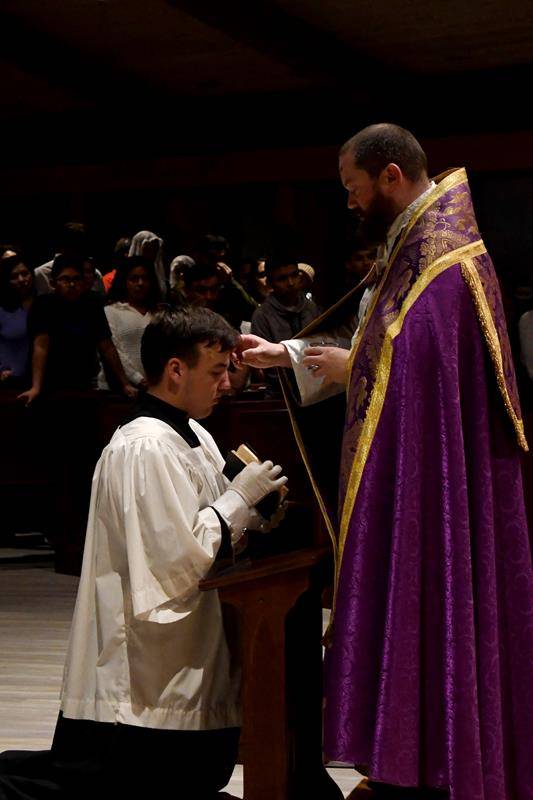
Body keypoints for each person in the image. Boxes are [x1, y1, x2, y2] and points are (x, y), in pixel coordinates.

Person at [239, 124, 533, 800]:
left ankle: (440, 763)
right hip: (421, 468)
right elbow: (383, 343)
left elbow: (407, 365)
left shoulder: (443, 262)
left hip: (438, 484)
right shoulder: (415, 246)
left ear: (391, 175)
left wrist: (354, 365)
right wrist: (288, 355)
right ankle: (416, 755)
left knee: (439, 596)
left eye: (353, 187)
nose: (348, 201)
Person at [0, 307, 287, 799]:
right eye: (216, 372)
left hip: (189, 658)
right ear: (175, 370)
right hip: (141, 680)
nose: (226, 385)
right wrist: (240, 499)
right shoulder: (144, 447)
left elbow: (214, 523)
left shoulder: (194, 434)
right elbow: (176, 559)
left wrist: (259, 510)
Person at [19, 254, 137, 404]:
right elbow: (41, 346)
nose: (72, 284)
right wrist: (36, 387)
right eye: (65, 279)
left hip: (83, 380)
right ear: (53, 283)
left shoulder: (92, 304)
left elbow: (106, 345)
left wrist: (125, 383)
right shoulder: (43, 305)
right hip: (50, 381)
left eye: (76, 279)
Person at [98, 256, 162, 390]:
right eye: (134, 279)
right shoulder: (111, 311)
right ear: (124, 282)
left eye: (145, 278)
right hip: (122, 388)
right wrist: (137, 378)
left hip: (157, 386)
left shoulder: (159, 312)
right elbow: (114, 349)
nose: (140, 283)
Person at [34, 222, 105, 295]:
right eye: (70, 246)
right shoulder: (42, 273)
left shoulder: (94, 274)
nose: (75, 252)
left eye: (79, 247)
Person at [0, 250, 35, 387]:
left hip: (43, 381)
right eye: (14, 276)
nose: (21, 280)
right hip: (10, 381)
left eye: (25, 274)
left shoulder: (44, 303)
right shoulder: (2, 308)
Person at [128, 229, 167, 294]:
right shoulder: (125, 273)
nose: (152, 254)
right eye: (148, 250)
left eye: (154, 250)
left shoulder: (159, 275)